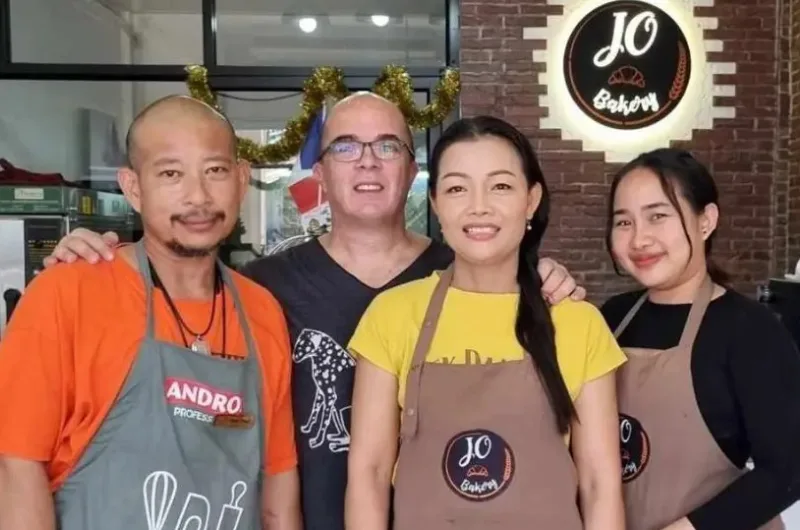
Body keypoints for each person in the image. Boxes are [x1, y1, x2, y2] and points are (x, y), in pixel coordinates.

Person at [38, 93, 585, 530]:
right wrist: (93, 254)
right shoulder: (260, 290)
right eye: (345, 147)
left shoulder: (470, 274)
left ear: (414, 170)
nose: (367, 161)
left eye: (388, 146)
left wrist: (540, 277)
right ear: (319, 173)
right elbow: (198, 414)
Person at [0, 96, 301, 530]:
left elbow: (277, 485)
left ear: (240, 179)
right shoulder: (67, 293)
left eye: (215, 171)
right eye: (171, 174)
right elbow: (17, 467)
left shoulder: (261, 312)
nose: (197, 196)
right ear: (133, 187)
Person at [345, 116, 626, 529]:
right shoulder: (392, 315)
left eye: (501, 186)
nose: (479, 206)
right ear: (437, 203)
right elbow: (368, 475)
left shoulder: (577, 322)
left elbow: (600, 484)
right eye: (458, 188)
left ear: (531, 200)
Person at [601, 147, 800, 530]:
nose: (640, 239)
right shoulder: (610, 318)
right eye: (623, 222)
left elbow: (787, 469)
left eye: (658, 216)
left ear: (705, 220)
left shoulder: (749, 330)